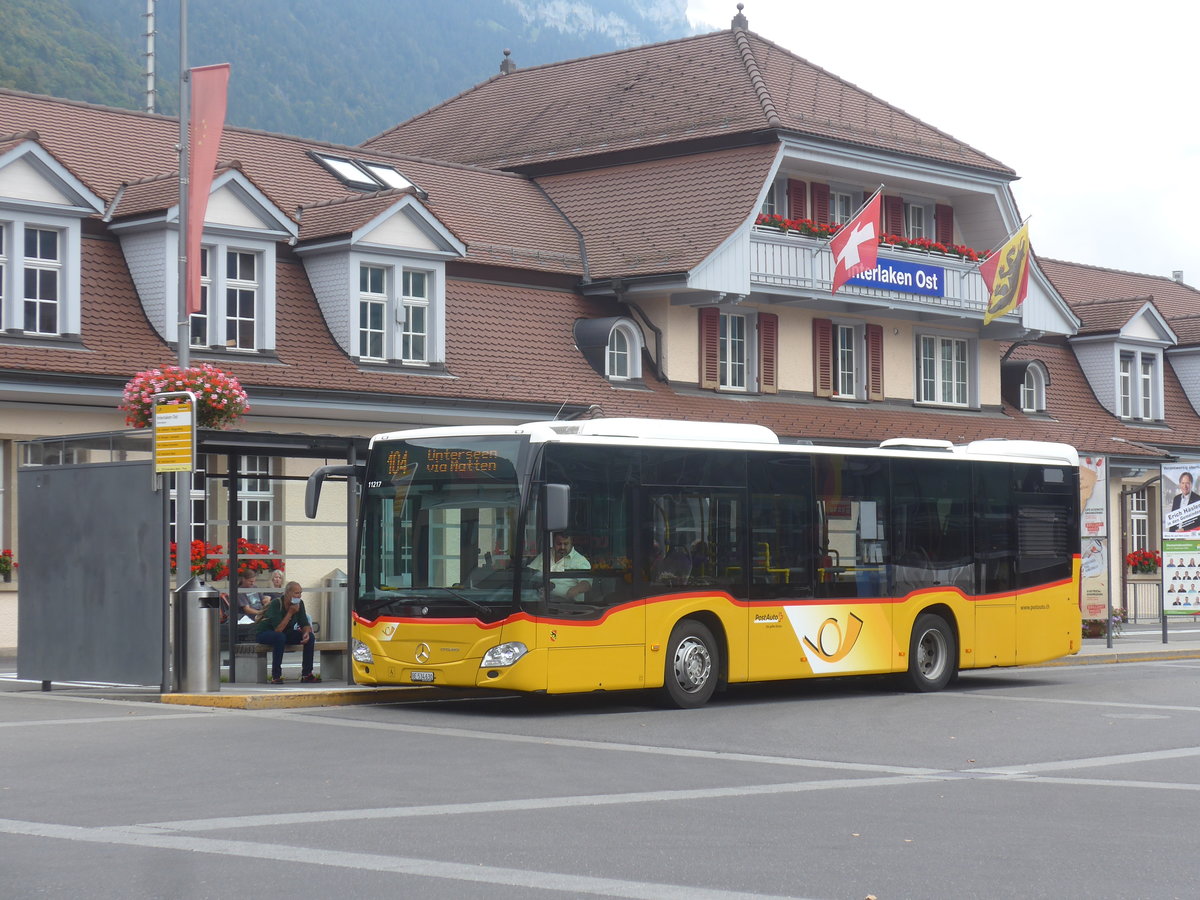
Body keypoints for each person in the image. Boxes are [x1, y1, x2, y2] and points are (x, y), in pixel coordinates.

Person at [255, 581, 320, 684]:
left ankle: (307, 674)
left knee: (310, 637)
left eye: (300, 593)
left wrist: (306, 632)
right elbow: (278, 629)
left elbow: (304, 623)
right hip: (266, 632)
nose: (299, 596)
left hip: (285, 633)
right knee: (280, 637)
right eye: (296, 593)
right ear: (288, 593)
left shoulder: (299, 603)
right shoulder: (276, 604)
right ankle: (276, 676)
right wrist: (290, 612)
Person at [529, 533, 591, 601]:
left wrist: (576, 589)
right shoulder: (545, 555)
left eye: (566, 544)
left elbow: (586, 584)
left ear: (571, 543)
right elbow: (529, 573)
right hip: (541, 601)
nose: (562, 547)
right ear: (553, 543)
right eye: (559, 544)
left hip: (567, 605)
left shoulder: (580, 561)